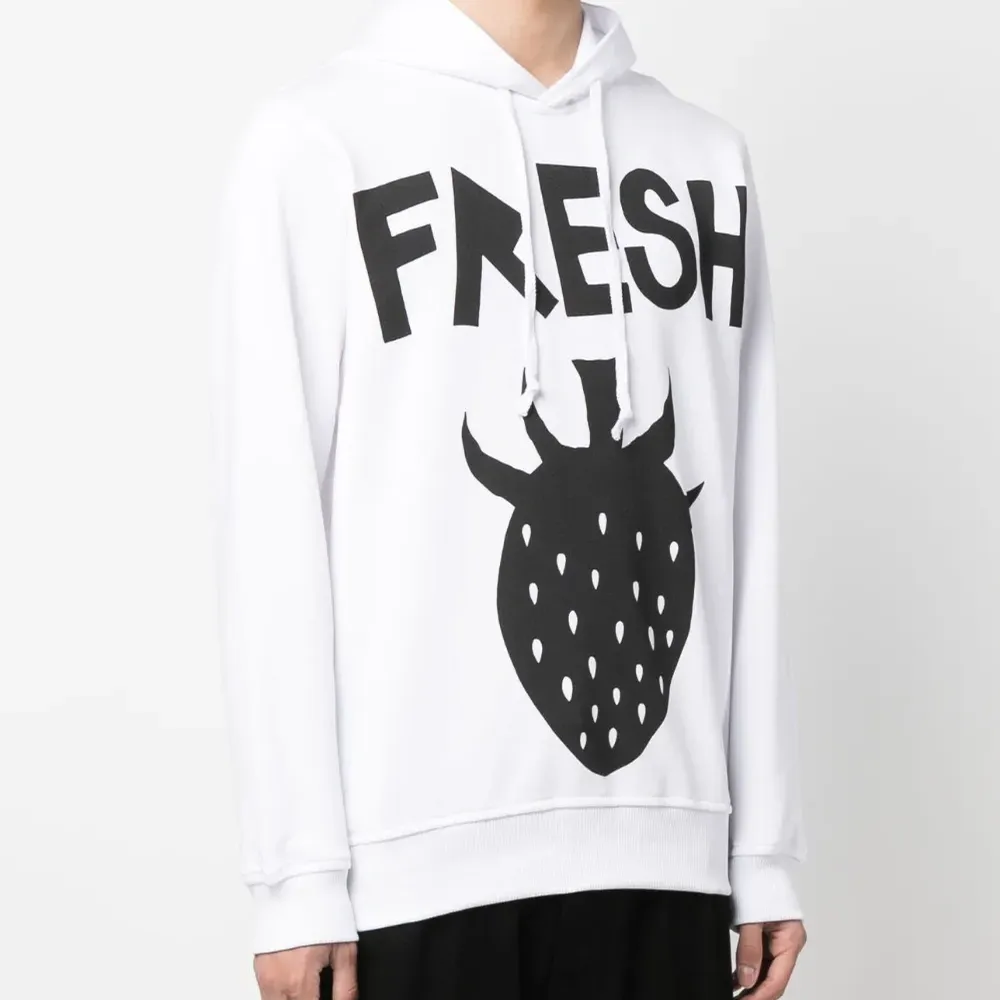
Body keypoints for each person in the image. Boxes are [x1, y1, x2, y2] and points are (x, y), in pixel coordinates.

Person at [213, 0, 808, 997]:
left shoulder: (705, 161)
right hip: (409, 870)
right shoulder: (317, 144)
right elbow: (272, 523)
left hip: (670, 854)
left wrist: (764, 850)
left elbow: (748, 517)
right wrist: (297, 877)